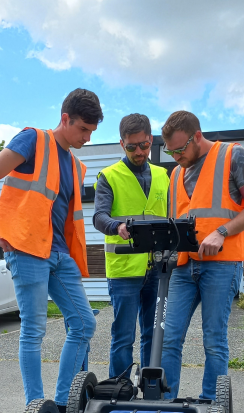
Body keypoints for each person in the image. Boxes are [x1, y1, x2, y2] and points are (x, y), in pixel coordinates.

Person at [0, 88, 103, 413]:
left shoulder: (75, 165)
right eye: (83, 130)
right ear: (65, 119)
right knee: (33, 329)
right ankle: (35, 408)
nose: (87, 138)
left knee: (83, 323)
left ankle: (61, 404)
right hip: (28, 248)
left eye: (92, 131)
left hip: (61, 255)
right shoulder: (33, 139)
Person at [159, 111, 244, 400]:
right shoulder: (177, 173)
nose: (176, 157)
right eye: (170, 152)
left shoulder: (233, 155)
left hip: (222, 265)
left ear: (196, 137)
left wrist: (222, 231)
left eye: (180, 150)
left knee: (214, 341)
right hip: (184, 266)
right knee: (169, 339)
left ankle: (211, 407)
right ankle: (165, 405)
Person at [93, 113, 169, 378]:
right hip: (124, 269)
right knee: (124, 336)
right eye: (131, 146)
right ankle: (120, 387)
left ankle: (149, 388)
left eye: (144, 145)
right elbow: (99, 216)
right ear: (121, 144)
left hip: (157, 268)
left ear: (151, 140)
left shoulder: (163, 175)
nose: (139, 151)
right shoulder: (109, 176)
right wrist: (117, 226)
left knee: (153, 334)